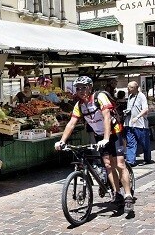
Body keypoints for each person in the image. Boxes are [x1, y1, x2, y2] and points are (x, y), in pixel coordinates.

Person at [55, 76, 134, 213]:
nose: (80, 90)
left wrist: (106, 138)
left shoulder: (100, 97)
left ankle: (128, 196)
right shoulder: (79, 105)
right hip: (100, 136)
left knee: (120, 164)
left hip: (114, 134)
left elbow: (107, 117)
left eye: (84, 87)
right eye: (78, 88)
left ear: (90, 87)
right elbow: (71, 123)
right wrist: (62, 141)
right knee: (108, 165)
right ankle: (117, 194)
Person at [124, 81, 152, 166]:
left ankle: (147, 158)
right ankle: (130, 161)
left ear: (136, 88)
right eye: (128, 87)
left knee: (144, 143)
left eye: (131, 87)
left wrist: (137, 117)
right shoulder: (129, 96)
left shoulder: (141, 96)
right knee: (130, 142)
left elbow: (145, 109)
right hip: (129, 123)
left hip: (140, 124)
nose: (129, 89)